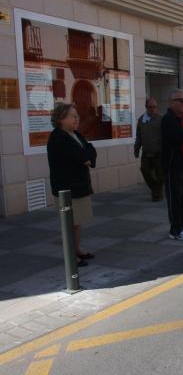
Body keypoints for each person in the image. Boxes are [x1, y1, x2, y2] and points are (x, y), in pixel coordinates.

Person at [47, 103, 97, 267]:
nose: (77, 118)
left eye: (77, 115)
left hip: (79, 186)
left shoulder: (75, 134)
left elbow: (90, 150)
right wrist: (86, 157)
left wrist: (87, 158)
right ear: (61, 119)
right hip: (67, 188)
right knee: (69, 223)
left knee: (77, 222)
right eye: (72, 116)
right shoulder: (58, 137)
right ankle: (71, 256)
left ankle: (77, 250)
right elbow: (80, 156)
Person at [161, 89, 183, 241]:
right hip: (172, 165)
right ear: (172, 102)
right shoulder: (168, 119)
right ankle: (175, 229)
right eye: (180, 101)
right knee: (175, 198)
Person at [134, 97, 163, 201]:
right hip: (146, 152)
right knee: (145, 171)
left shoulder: (161, 119)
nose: (152, 109)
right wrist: (136, 149)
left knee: (160, 175)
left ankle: (157, 193)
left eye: (154, 107)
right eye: (150, 107)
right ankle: (156, 190)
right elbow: (138, 136)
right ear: (146, 107)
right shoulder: (141, 120)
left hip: (159, 152)